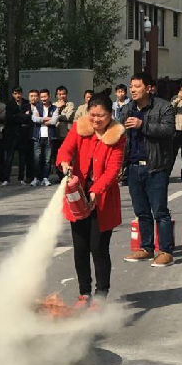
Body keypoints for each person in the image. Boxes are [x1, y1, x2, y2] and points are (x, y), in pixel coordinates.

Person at [57, 94, 126, 306]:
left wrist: (96, 190)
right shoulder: (80, 128)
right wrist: (65, 163)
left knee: (98, 247)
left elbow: (113, 169)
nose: (96, 119)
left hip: (102, 199)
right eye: (92, 115)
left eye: (101, 115)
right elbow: (65, 150)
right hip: (78, 196)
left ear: (110, 115)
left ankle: (101, 293)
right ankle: (84, 292)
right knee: (80, 247)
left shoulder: (117, 136)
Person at [122, 71, 176, 267]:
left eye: (137, 86)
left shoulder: (163, 107)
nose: (133, 90)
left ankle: (166, 251)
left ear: (148, 88)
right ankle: (146, 248)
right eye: (131, 86)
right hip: (134, 167)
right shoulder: (127, 108)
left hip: (156, 166)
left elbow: (168, 131)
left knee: (160, 211)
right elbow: (123, 138)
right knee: (141, 211)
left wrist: (142, 124)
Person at [3, 86, 32, 186]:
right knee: (9, 158)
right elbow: (9, 118)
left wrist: (17, 116)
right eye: (15, 93)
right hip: (11, 134)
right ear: (13, 94)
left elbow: (28, 117)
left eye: (19, 93)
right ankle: (6, 179)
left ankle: (21, 178)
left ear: (22, 93)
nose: (18, 95)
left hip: (23, 135)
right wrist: (22, 116)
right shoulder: (9, 104)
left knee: (22, 158)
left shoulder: (26, 103)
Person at [32, 88, 58, 187]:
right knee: (37, 159)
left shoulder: (54, 108)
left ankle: (45, 178)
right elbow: (34, 119)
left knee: (47, 160)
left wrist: (41, 119)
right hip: (38, 137)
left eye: (45, 96)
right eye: (41, 97)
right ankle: (36, 178)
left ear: (49, 96)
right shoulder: (37, 107)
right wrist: (46, 119)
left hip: (49, 137)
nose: (43, 99)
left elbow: (54, 121)